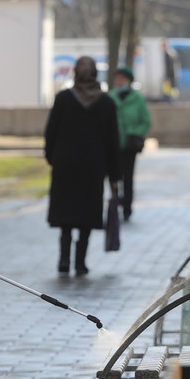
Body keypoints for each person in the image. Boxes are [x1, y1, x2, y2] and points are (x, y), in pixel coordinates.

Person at [45, 56, 121, 275]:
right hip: (93, 168)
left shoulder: (63, 99)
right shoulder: (106, 103)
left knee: (66, 217)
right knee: (86, 217)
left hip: (65, 166)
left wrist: (52, 158)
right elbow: (113, 141)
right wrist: (114, 174)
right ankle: (80, 262)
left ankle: (63, 260)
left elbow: (51, 133)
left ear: (75, 73)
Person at [108, 66, 151, 221]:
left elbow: (145, 121)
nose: (119, 82)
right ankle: (114, 203)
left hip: (130, 145)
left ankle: (127, 206)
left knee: (128, 177)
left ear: (129, 81)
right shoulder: (110, 98)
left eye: (122, 79)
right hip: (113, 145)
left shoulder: (137, 99)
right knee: (114, 176)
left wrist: (134, 132)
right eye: (117, 79)